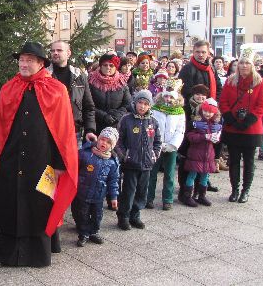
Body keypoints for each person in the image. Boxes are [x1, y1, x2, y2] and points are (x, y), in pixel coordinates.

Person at [0, 42, 77, 269]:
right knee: (9, 203)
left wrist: (58, 164)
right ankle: (4, 253)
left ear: (41, 63)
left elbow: (63, 132)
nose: (24, 64)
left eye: (29, 60)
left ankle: (38, 254)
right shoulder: (9, 88)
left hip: (42, 160)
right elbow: (1, 128)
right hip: (11, 158)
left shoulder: (56, 90)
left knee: (40, 205)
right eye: (21, 60)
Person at [220, 50, 263, 204]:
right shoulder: (230, 81)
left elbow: (262, 105)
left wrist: (248, 121)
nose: (244, 65)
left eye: (247, 62)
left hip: (251, 128)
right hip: (233, 126)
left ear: (252, 65)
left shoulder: (260, 82)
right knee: (233, 161)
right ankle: (234, 190)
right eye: (241, 62)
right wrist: (231, 119)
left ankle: (245, 190)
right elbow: (224, 102)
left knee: (249, 162)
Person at [114, 90, 161, 231]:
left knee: (142, 192)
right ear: (135, 103)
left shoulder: (153, 122)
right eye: (140, 103)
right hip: (130, 163)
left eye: (146, 104)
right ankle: (124, 216)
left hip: (146, 163)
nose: (142, 106)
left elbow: (158, 141)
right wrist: (124, 155)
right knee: (128, 192)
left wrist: (154, 155)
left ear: (149, 106)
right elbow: (118, 140)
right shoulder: (127, 119)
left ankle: (135, 215)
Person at [73, 127, 119, 247]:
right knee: (82, 214)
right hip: (83, 192)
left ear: (112, 146)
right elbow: (74, 167)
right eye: (102, 139)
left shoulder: (112, 162)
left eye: (108, 142)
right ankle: (83, 233)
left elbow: (113, 180)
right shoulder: (85, 154)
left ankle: (93, 232)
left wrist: (113, 197)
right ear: (98, 139)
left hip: (99, 194)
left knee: (97, 215)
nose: (104, 143)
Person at [48, 40, 97, 142]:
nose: (55, 53)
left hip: (75, 132)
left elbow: (88, 106)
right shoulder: (45, 76)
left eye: (59, 50)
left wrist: (90, 129)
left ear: (68, 53)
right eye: (53, 51)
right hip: (50, 132)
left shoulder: (79, 76)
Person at [147, 85, 185, 211]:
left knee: (169, 174)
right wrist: (156, 143)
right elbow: (151, 126)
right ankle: (148, 197)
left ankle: (167, 199)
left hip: (171, 146)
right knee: (152, 172)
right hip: (156, 145)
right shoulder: (155, 108)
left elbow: (180, 130)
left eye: (171, 97)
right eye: (166, 96)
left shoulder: (179, 111)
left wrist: (172, 145)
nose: (168, 99)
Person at [182, 98, 222, 207]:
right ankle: (187, 196)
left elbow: (217, 140)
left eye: (210, 112)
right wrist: (204, 136)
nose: (208, 114)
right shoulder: (197, 123)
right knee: (192, 174)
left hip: (208, 154)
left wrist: (216, 138)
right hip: (196, 153)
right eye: (206, 111)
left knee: (205, 175)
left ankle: (202, 196)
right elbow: (190, 136)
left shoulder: (215, 124)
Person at [88, 53, 132, 134]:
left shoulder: (121, 82)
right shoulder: (91, 81)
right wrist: (103, 116)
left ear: (116, 67)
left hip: (116, 125)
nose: (108, 67)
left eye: (111, 65)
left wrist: (118, 115)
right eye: (105, 65)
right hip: (95, 124)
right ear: (100, 66)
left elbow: (127, 104)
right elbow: (87, 104)